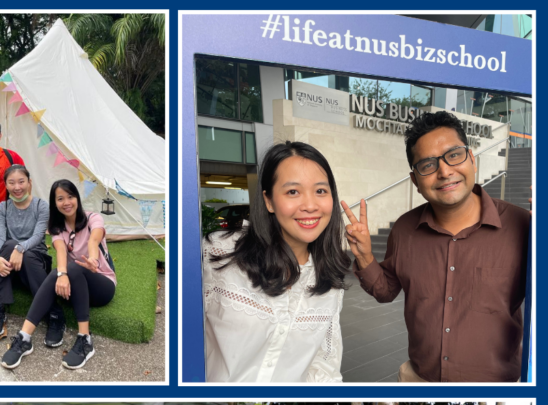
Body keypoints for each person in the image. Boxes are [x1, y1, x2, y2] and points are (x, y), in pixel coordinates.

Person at [346, 110, 531, 382]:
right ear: (415, 181)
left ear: (471, 159)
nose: (444, 171)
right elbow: (385, 291)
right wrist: (364, 256)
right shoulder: (405, 229)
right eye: (428, 165)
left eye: (454, 155)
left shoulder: (522, 225)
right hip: (419, 379)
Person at [201, 141, 352, 382]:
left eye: (321, 191)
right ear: (269, 200)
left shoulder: (330, 283)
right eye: (293, 191)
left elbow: (324, 370)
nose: (310, 205)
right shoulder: (218, 253)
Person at [1, 180, 116, 371]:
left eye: (70, 197)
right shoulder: (57, 229)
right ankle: (24, 337)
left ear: (77, 198)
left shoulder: (93, 219)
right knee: (63, 270)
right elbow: (61, 252)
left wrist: (93, 261)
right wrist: (62, 274)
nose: (66, 202)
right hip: (75, 288)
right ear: (55, 203)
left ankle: (85, 339)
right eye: (60, 198)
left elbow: (93, 241)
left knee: (73, 268)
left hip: (101, 285)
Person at [0, 164, 65, 347]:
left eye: (21, 181)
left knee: (23, 251)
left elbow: (38, 236)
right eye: (11, 183)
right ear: (5, 185)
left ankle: (54, 313)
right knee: (8, 244)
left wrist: (20, 248)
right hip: (10, 263)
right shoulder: (3, 207)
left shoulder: (41, 205)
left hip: (35, 260)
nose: (17, 187)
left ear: (29, 183)